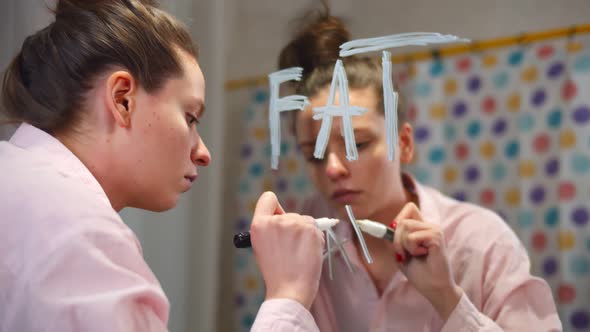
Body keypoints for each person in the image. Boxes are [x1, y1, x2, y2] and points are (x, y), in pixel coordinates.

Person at [0, 1, 324, 331]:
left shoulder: (17, 183)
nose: (204, 153)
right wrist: (289, 297)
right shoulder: (79, 233)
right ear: (123, 99)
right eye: (190, 117)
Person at [275, 9, 563, 332]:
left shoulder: (481, 243)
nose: (332, 169)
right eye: (313, 156)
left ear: (404, 142)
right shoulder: (310, 238)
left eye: (357, 143)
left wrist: (447, 298)